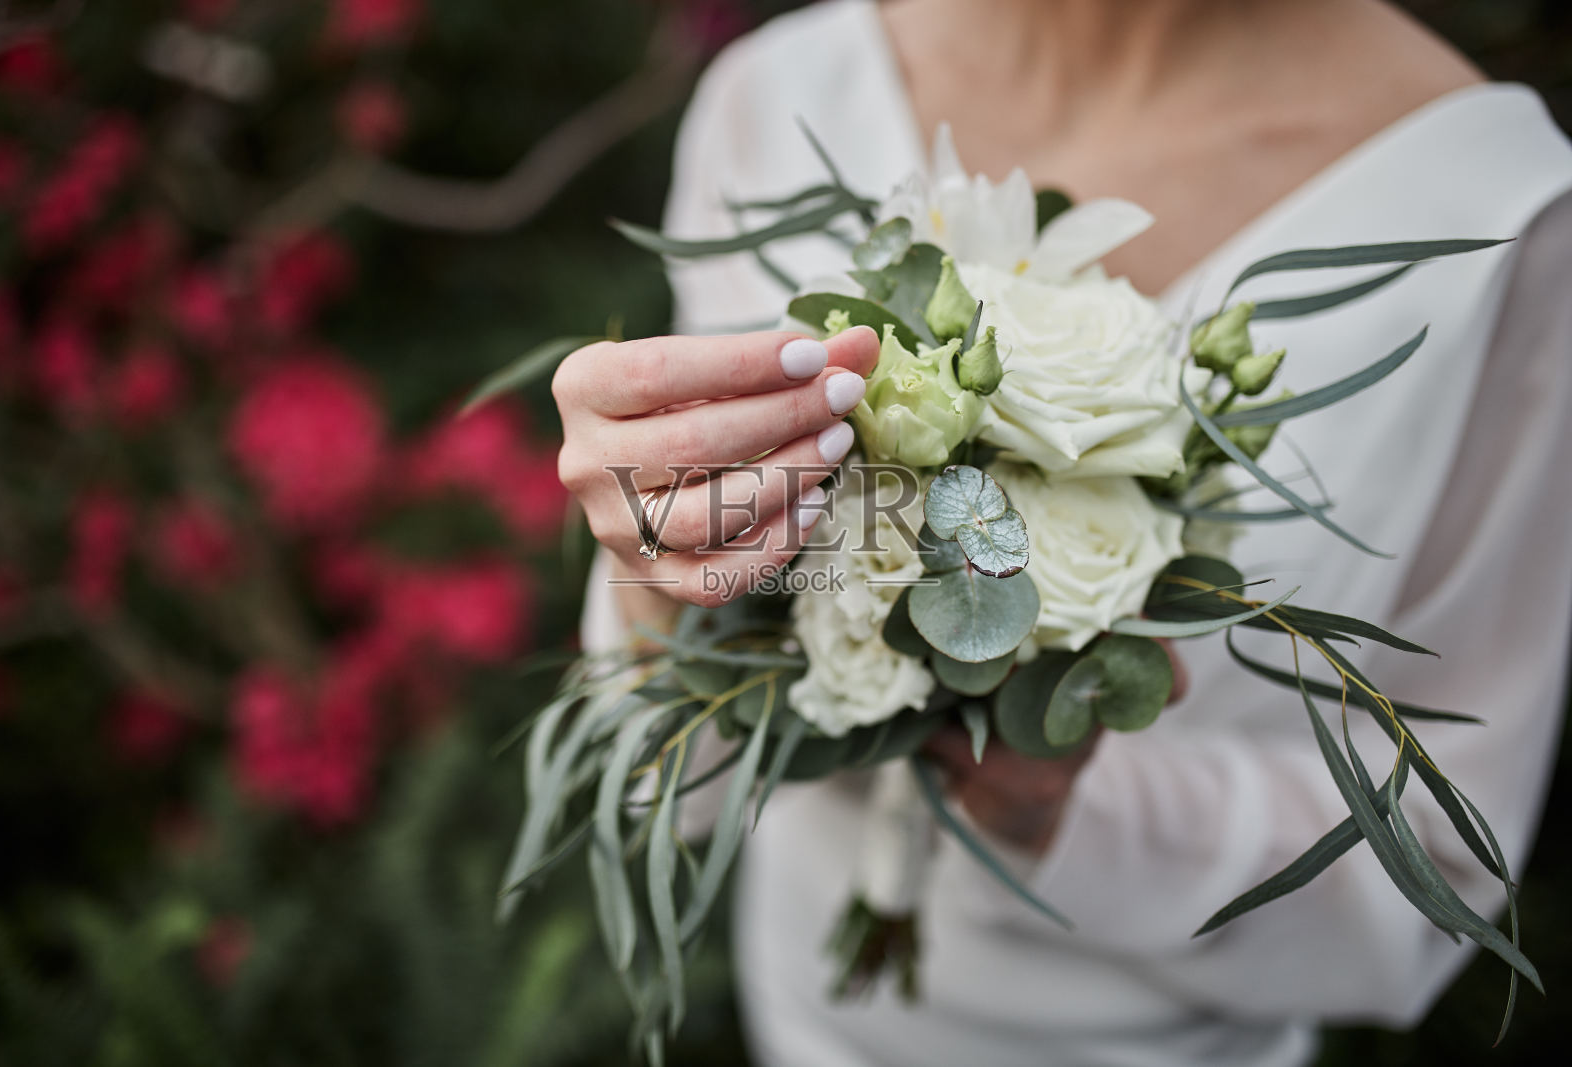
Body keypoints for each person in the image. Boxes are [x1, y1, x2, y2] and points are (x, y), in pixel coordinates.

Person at [551, 1, 1572, 1064]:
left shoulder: (1503, 217)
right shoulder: (786, 89)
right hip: (798, 1006)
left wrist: (1068, 808)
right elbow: (665, 711)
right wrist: (659, 573)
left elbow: (1432, 863)